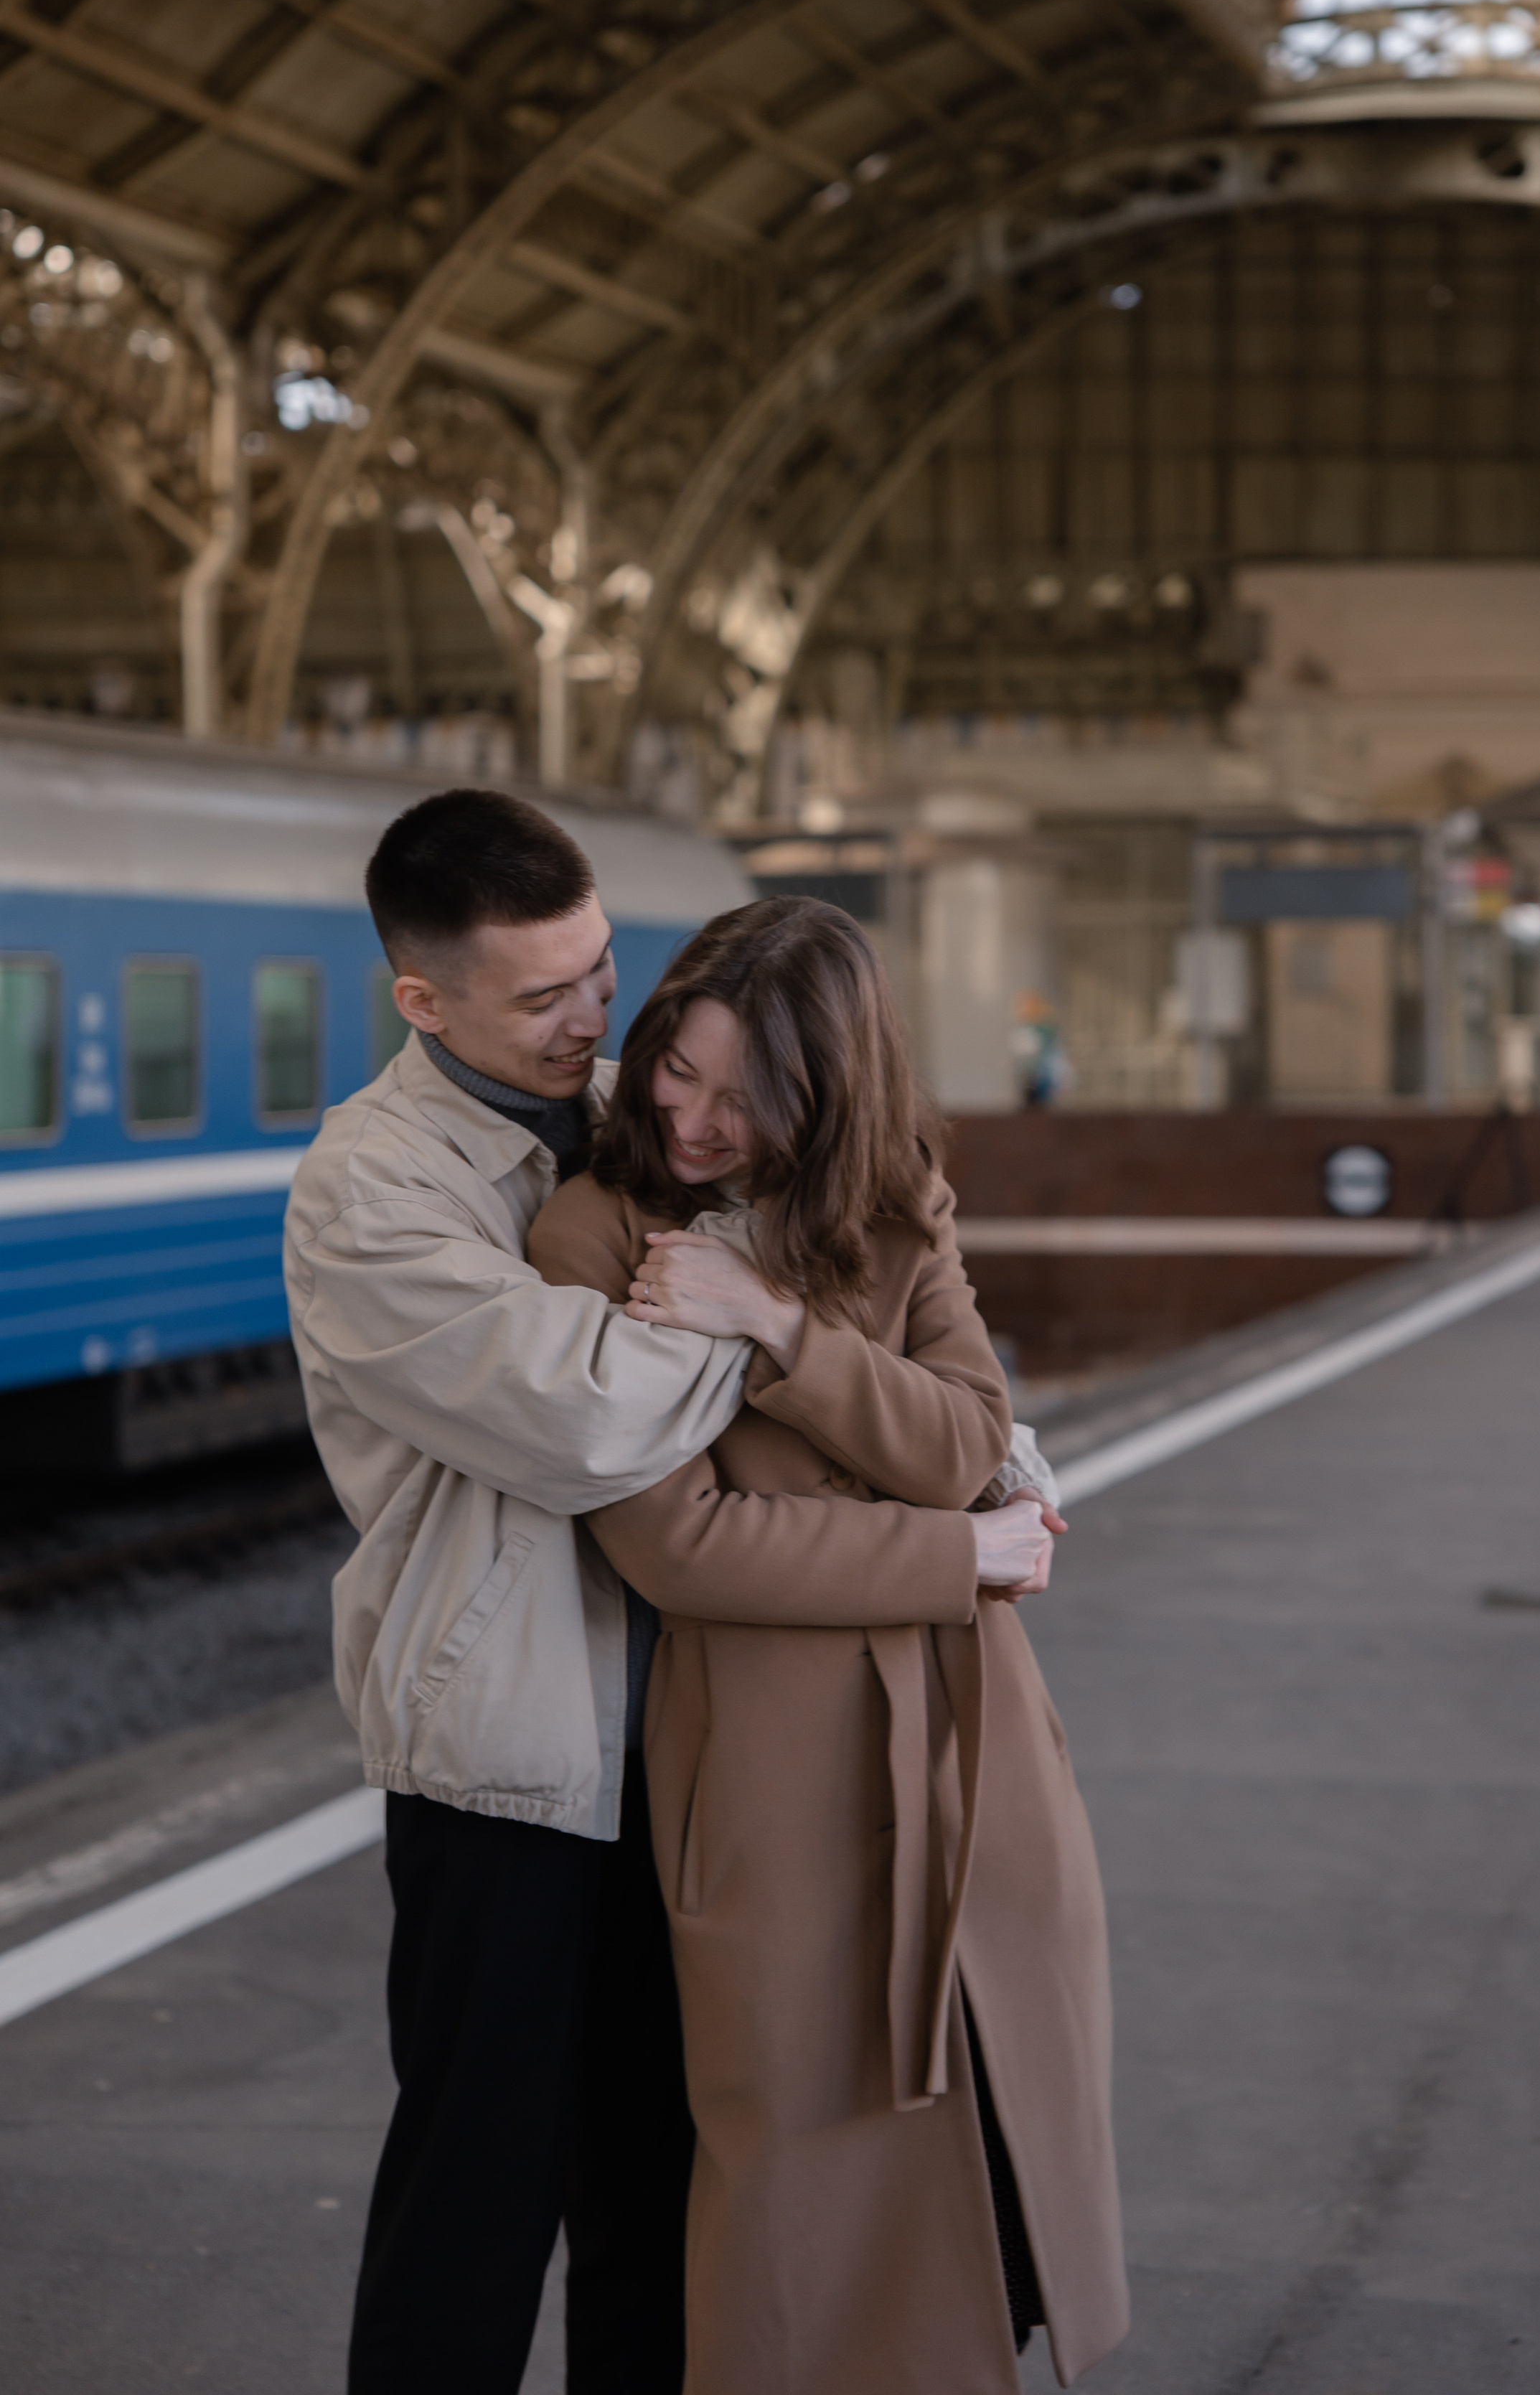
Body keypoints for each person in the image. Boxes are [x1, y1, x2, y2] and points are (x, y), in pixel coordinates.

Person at [284, 793, 1049, 2395]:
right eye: (541, 998)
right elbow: (586, 1413)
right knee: (477, 2201)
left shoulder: (650, 1096)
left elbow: (871, 1297)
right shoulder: (372, 1188)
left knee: (657, 2188)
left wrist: (971, 1437)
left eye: (599, 974)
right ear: (423, 1002)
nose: (592, 1027)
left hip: (696, 1749)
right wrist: (789, 1336)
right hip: (512, 1753)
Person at [527, 895, 1129, 2395]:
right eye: (677, 1069)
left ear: (826, 1095)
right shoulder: (594, 1233)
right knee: (794, 2183)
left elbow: (966, 1435)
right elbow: (679, 1542)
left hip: (975, 1761)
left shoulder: (894, 1201)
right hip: (770, 1776)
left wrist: (778, 1329)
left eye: (744, 1097)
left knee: (991, 2149)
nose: (693, 1119)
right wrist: (955, 1556)